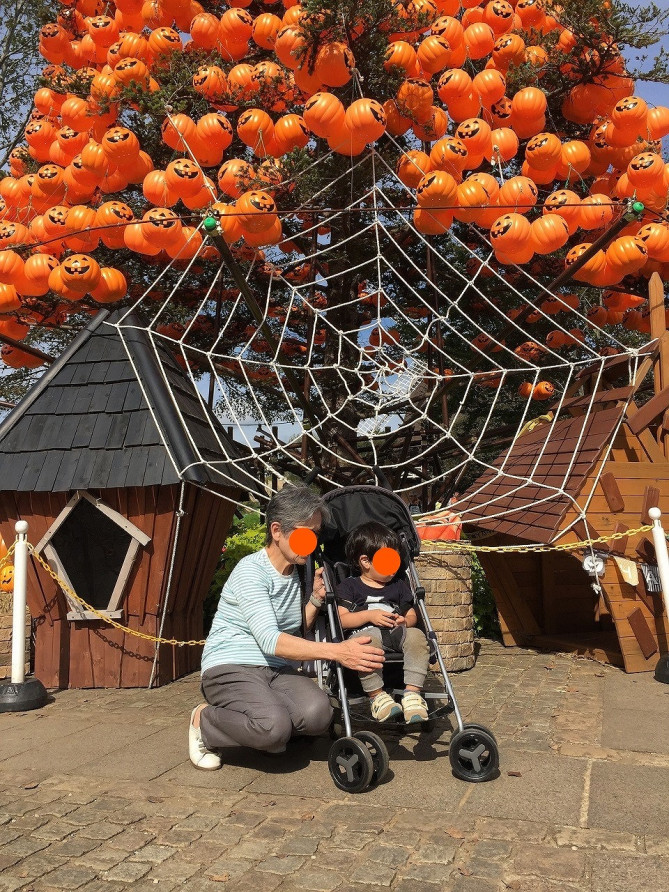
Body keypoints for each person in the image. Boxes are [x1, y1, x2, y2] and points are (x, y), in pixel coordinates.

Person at [189, 486, 385, 770]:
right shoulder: (251, 571)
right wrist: (338, 652)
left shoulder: (297, 573)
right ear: (277, 531)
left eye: (316, 535)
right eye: (306, 534)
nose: (312, 543)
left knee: (318, 715)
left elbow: (294, 630)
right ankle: (204, 721)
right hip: (230, 666)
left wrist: (315, 598)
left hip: (275, 668)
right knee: (273, 728)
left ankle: (266, 725)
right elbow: (272, 640)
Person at [336, 521, 430, 724]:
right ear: (365, 561)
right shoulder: (350, 586)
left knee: (417, 636)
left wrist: (406, 621)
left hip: (397, 632)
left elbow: (412, 614)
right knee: (365, 644)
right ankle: (377, 696)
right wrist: (369, 616)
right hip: (366, 635)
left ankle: (412, 695)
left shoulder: (398, 585)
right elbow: (342, 619)